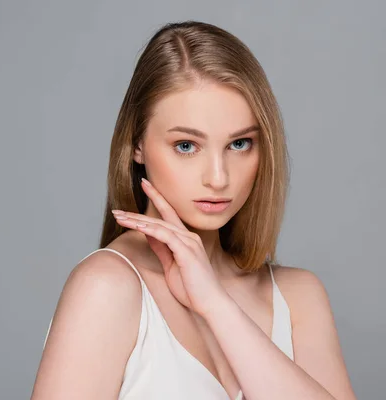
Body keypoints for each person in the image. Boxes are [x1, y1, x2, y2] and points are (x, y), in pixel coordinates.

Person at [30, 20, 356, 400]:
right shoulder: (107, 288)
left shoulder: (299, 297)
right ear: (137, 144)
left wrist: (215, 304)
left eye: (239, 144)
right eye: (186, 145)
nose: (218, 178)